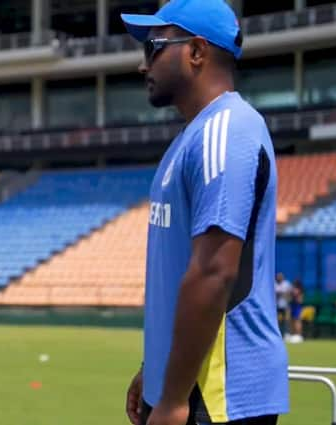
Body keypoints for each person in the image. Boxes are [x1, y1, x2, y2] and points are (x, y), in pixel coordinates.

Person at [120, 1, 289, 424]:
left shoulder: (226, 129)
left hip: (218, 396)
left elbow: (215, 272)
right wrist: (155, 371)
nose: (144, 66)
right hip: (190, 386)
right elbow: (178, 268)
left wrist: (175, 398)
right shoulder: (193, 136)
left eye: (154, 48)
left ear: (196, 52)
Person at [274, 273, 292, 339]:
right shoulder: (274, 284)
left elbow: (290, 293)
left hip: (285, 305)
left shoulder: (286, 284)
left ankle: (287, 334)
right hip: (276, 306)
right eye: (278, 277)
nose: (279, 278)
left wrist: (284, 294)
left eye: (280, 276)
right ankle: (278, 335)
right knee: (277, 321)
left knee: (287, 320)